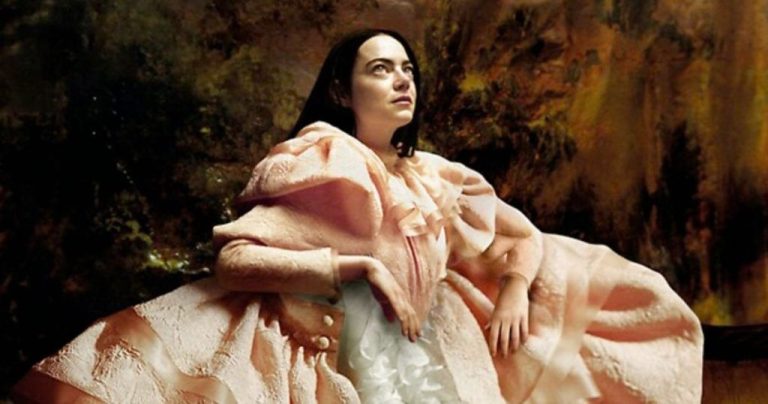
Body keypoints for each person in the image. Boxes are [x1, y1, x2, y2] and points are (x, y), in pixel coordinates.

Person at [12, 28, 704, 403]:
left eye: (407, 69)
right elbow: (235, 260)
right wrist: (360, 267)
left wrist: (517, 287)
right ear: (343, 91)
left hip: (431, 343)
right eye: (381, 69)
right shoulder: (322, 158)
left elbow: (518, 240)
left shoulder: (436, 175)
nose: (402, 79)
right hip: (337, 341)